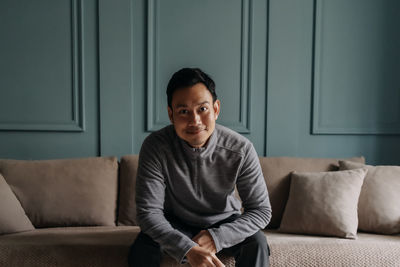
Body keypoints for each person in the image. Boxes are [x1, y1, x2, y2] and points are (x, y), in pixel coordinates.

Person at [128, 68, 272, 267]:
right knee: (143, 247)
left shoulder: (241, 149)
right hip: (175, 221)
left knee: (257, 243)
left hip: (225, 220)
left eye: (202, 109)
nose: (194, 121)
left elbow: (261, 210)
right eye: (183, 111)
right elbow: (148, 213)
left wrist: (216, 237)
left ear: (216, 109)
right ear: (171, 114)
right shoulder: (156, 147)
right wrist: (187, 248)